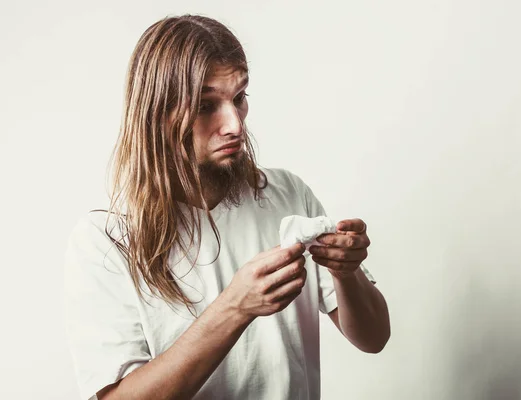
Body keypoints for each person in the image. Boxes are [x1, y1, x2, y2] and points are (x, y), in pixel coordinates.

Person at [64, 14, 390, 400]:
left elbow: (374, 338)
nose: (235, 124)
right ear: (156, 115)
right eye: (206, 105)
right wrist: (235, 307)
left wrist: (347, 274)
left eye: (239, 98)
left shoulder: (287, 194)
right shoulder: (106, 241)